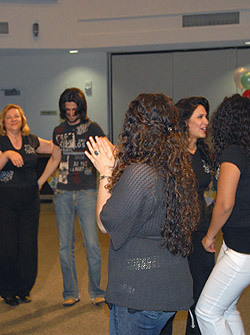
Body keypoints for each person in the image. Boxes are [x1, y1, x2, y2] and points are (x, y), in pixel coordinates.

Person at [85, 93, 200, 335]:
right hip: (169, 287)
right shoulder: (175, 165)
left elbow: (106, 223)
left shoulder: (139, 174)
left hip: (140, 295)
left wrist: (105, 172)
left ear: (134, 128)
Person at [195, 94, 250, 335]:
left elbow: (224, 204)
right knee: (227, 309)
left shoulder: (232, 154)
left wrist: (210, 236)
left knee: (206, 312)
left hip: (245, 249)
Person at [37, 87, 106, 306]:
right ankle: (70, 292)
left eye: (74, 110)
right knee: (64, 246)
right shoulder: (58, 131)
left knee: (92, 245)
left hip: (87, 191)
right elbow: (55, 159)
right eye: (66, 110)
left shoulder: (93, 128)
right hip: (63, 193)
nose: (70, 113)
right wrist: (39, 182)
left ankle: (96, 291)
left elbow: (106, 152)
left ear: (81, 108)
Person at [0, 104, 52, 306]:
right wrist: (6, 154)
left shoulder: (31, 140)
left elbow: (53, 147)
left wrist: (41, 181)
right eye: (9, 117)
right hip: (4, 201)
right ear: (3, 122)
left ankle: (24, 289)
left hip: (29, 201)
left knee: (28, 247)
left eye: (17, 116)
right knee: (8, 247)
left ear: (22, 119)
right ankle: (8, 291)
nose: (14, 119)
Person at [161, 97, 215, 335]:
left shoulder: (204, 153)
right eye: (200, 117)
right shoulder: (170, 154)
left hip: (201, 232)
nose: (206, 122)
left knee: (200, 297)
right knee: (170, 298)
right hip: (175, 234)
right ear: (184, 121)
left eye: (206, 116)